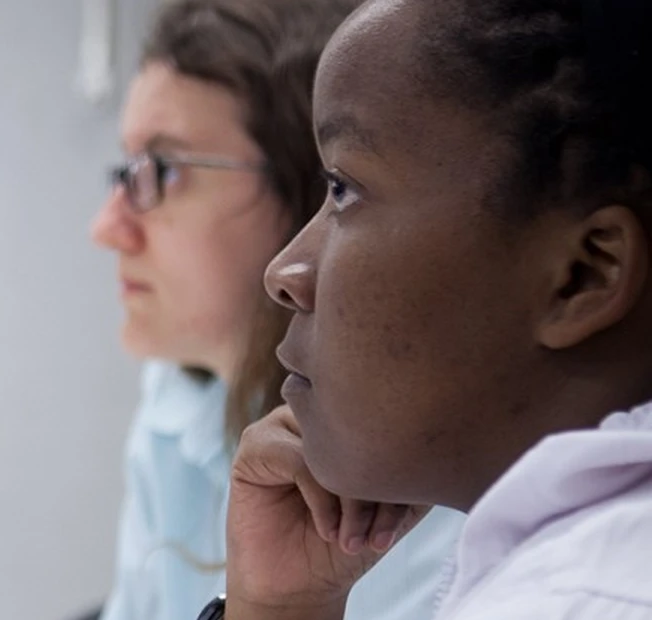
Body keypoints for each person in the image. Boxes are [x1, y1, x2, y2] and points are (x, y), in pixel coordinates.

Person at [216, 0, 652, 618]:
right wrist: (280, 606)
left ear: (582, 274)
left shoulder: (573, 601)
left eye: (343, 189)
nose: (283, 273)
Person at [85, 1, 462, 619]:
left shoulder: (422, 474)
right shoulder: (173, 407)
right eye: (124, 172)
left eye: (163, 170)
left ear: (314, 194)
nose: (107, 228)